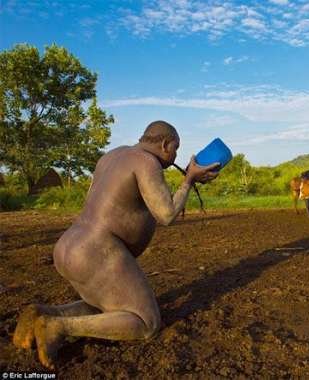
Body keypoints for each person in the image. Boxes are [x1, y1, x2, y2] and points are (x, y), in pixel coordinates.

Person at [12, 120, 220, 369]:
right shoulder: (146, 162)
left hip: (70, 244)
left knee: (104, 305)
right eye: (175, 148)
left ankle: (42, 313)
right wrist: (188, 182)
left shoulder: (112, 156)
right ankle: (59, 327)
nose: (175, 155)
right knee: (146, 322)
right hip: (97, 250)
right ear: (165, 144)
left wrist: (189, 177)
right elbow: (166, 214)